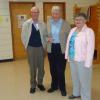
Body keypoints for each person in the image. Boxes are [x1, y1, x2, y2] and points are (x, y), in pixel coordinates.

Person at [65, 13, 95, 100]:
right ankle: (76, 93)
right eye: (76, 19)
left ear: (85, 20)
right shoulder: (73, 30)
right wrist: (67, 56)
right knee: (75, 78)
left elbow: (90, 48)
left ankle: (86, 98)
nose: (78, 21)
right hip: (72, 58)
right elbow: (69, 43)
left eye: (80, 19)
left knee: (84, 80)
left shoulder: (89, 31)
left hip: (83, 60)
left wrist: (88, 63)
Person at [21, 6, 47, 94]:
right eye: (33, 12)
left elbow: (45, 35)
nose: (35, 14)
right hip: (31, 48)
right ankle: (33, 85)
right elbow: (23, 36)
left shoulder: (42, 23)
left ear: (38, 13)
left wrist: (46, 42)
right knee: (32, 68)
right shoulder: (26, 24)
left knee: (41, 67)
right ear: (31, 13)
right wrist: (27, 46)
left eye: (37, 12)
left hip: (40, 48)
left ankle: (40, 83)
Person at [46, 6, 71, 96]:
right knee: (53, 69)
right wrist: (47, 38)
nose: (55, 15)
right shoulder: (49, 23)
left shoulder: (65, 24)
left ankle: (62, 88)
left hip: (61, 49)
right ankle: (54, 86)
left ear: (60, 13)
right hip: (51, 48)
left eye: (56, 13)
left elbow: (69, 38)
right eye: (53, 13)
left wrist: (69, 51)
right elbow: (45, 35)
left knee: (60, 70)